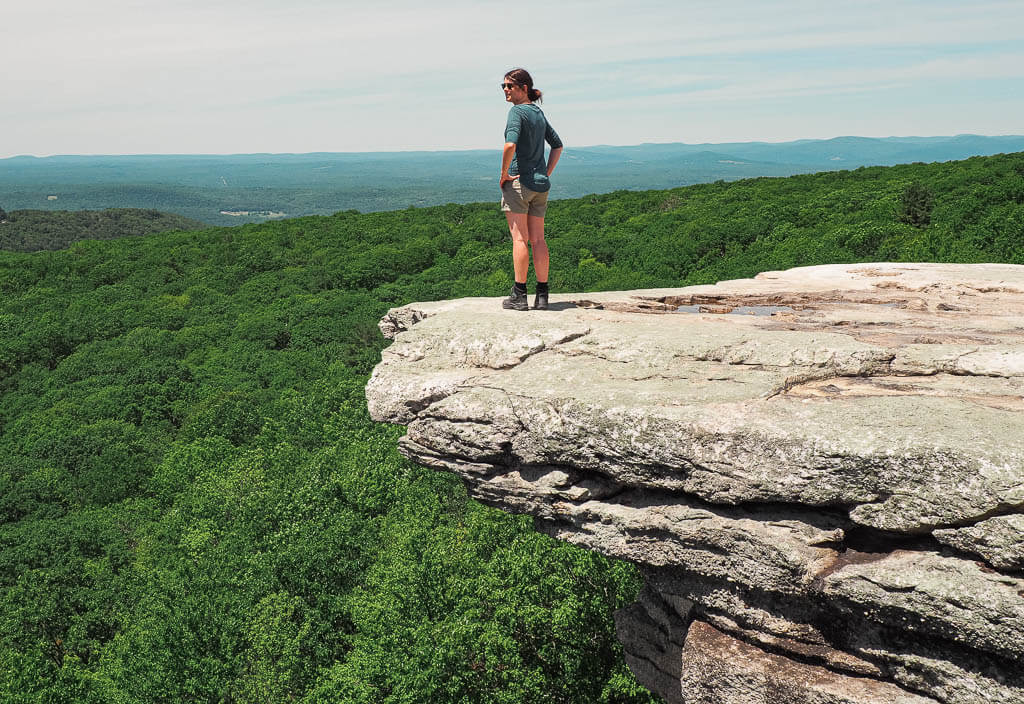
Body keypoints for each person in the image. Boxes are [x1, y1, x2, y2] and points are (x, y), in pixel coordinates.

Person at [499, 68, 562, 311]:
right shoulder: (537, 113)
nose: (505, 90)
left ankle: (519, 295)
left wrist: (503, 174)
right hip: (540, 185)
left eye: (509, 86)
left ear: (523, 88)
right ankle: (543, 295)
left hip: (519, 183)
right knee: (538, 239)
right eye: (503, 86)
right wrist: (546, 173)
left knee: (519, 239)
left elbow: (509, 145)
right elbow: (557, 145)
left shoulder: (517, 112)